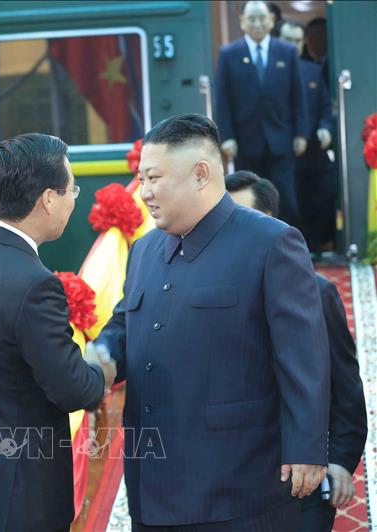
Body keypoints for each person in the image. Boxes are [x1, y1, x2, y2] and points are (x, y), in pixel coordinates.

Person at [91, 114, 330, 530]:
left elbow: (303, 357)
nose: (143, 193)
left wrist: (306, 448)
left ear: (201, 174)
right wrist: (101, 356)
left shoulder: (271, 242)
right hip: (153, 486)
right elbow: (125, 324)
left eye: (153, 178)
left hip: (239, 488)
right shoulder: (145, 249)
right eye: (141, 179)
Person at [0, 133, 115, 532]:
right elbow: (73, 389)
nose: (74, 200)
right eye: (72, 189)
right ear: (48, 199)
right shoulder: (35, 283)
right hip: (20, 498)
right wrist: (100, 365)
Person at [226, 170, 368, 532]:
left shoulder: (315, 292)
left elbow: (345, 387)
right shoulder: (210, 293)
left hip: (301, 482)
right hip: (231, 481)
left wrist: (339, 460)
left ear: (270, 221)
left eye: (240, 217)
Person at [214, 0, 308, 226]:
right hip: (245, 140)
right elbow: (222, 100)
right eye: (252, 19)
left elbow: (298, 95)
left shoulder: (286, 52)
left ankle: (288, 244)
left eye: (262, 18)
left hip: (281, 138)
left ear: (272, 21)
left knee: (285, 196)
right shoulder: (229, 54)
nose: (257, 23)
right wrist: (226, 137)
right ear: (242, 22)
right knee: (248, 198)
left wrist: (301, 133)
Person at [280, 20, 336, 252]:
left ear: (302, 43)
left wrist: (325, 127)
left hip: (313, 147)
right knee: (289, 200)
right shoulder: (269, 72)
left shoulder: (312, 70)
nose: (292, 45)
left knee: (325, 190)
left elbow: (325, 105)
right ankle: (292, 248)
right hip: (282, 150)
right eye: (287, 40)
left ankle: (316, 244)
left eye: (296, 41)